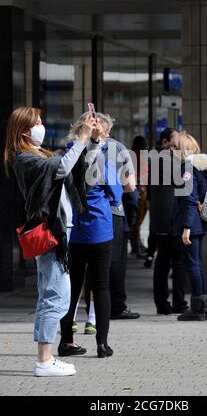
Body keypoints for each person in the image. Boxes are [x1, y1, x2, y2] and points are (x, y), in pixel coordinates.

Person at [4, 106, 96, 377]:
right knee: (55, 297)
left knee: (53, 295)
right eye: (38, 123)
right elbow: (61, 167)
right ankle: (44, 361)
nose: (41, 127)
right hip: (50, 234)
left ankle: (45, 358)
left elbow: (70, 166)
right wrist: (82, 139)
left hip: (58, 232)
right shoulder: (24, 159)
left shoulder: (39, 155)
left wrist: (89, 138)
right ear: (23, 130)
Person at [59, 112, 122, 358]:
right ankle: (102, 344)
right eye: (103, 132)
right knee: (101, 286)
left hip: (74, 230)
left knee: (72, 286)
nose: (105, 135)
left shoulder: (67, 154)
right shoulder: (102, 158)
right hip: (99, 228)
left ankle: (66, 341)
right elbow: (116, 195)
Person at [96, 112, 140, 320]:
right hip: (113, 211)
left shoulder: (77, 147)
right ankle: (117, 306)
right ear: (108, 130)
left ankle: (92, 312)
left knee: (87, 261)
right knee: (115, 261)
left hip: (84, 213)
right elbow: (131, 186)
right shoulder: (118, 148)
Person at [173, 132, 207, 321]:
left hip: (191, 224)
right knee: (197, 264)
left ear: (182, 150)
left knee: (192, 265)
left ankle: (198, 309)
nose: (171, 151)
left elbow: (190, 200)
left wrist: (186, 227)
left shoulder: (187, 169)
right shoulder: (199, 168)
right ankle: (204, 306)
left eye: (175, 148)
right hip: (199, 224)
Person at [149, 127, 188, 314]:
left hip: (160, 218)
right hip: (171, 217)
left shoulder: (154, 157)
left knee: (162, 262)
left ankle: (162, 304)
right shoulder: (165, 158)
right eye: (175, 144)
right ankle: (179, 302)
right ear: (165, 143)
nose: (177, 148)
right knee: (177, 261)